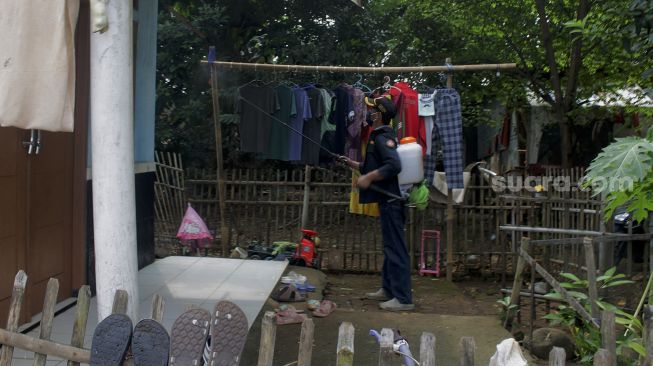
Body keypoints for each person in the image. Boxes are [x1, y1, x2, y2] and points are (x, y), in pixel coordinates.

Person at [339, 95, 414, 311]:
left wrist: (369, 178)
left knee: (396, 249)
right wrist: (352, 164)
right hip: (387, 200)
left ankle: (403, 299)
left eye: (372, 110)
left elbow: (394, 165)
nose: (369, 113)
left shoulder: (383, 137)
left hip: (391, 201)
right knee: (390, 246)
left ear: (379, 115)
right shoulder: (378, 136)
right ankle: (388, 289)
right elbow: (373, 163)